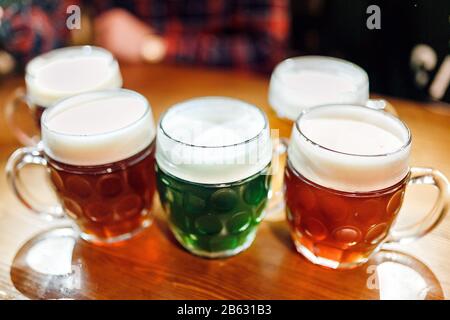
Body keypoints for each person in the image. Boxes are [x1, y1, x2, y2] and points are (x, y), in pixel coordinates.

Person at [0, 0, 289, 73]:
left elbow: (265, 49)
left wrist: (155, 47)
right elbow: (68, 15)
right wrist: (11, 26)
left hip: (226, 108)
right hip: (126, 100)